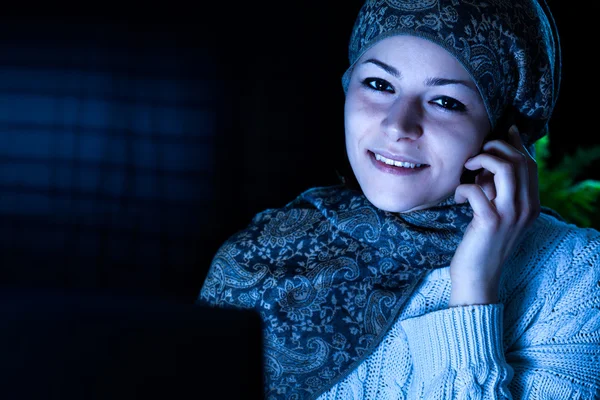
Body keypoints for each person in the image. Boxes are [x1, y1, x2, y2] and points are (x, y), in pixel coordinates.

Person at [198, 0, 600, 399]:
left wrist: (475, 287)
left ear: (503, 130)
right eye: (379, 84)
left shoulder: (576, 278)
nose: (397, 125)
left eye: (446, 102)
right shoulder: (262, 255)